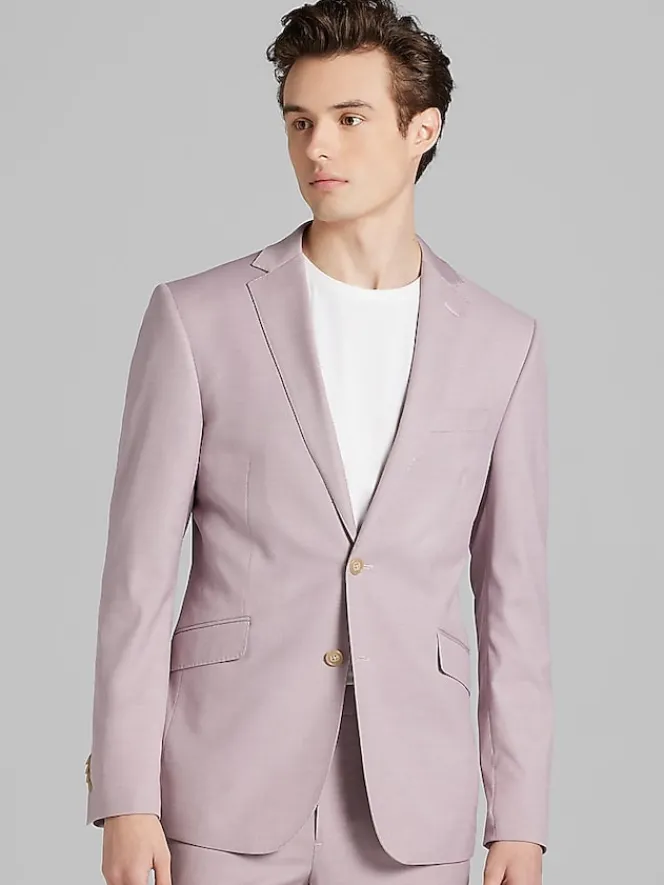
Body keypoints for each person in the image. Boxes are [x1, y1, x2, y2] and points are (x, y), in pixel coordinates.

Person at [84, 1, 554, 883]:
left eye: (349, 118)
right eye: (299, 122)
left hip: (414, 806)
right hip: (219, 786)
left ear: (422, 130)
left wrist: (519, 819)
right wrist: (126, 794)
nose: (317, 148)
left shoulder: (503, 343)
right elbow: (137, 581)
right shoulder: (197, 318)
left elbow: (513, 601)